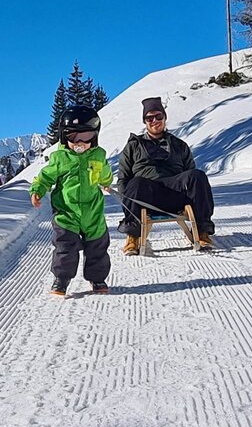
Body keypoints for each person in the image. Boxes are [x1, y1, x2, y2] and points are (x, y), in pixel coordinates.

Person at [30, 105, 114, 297]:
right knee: (65, 247)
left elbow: (105, 176)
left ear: (95, 136)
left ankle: (97, 278)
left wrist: (106, 180)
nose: (80, 143)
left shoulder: (98, 155)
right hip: (66, 213)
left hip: (93, 212)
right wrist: (37, 190)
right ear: (63, 137)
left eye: (86, 137)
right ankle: (61, 279)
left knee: (98, 246)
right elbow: (45, 177)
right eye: (73, 137)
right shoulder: (59, 158)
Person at [117, 96, 215, 255]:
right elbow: (123, 178)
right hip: (145, 196)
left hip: (175, 193)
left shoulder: (179, 145)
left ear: (165, 118)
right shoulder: (133, 146)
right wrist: (127, 203)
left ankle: (202, 231)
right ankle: (133, 236)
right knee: (135, 182)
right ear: (144, 121)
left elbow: (192, 173)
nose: (154, 120)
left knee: (197, 176)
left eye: (158, 116)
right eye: (149, 118)